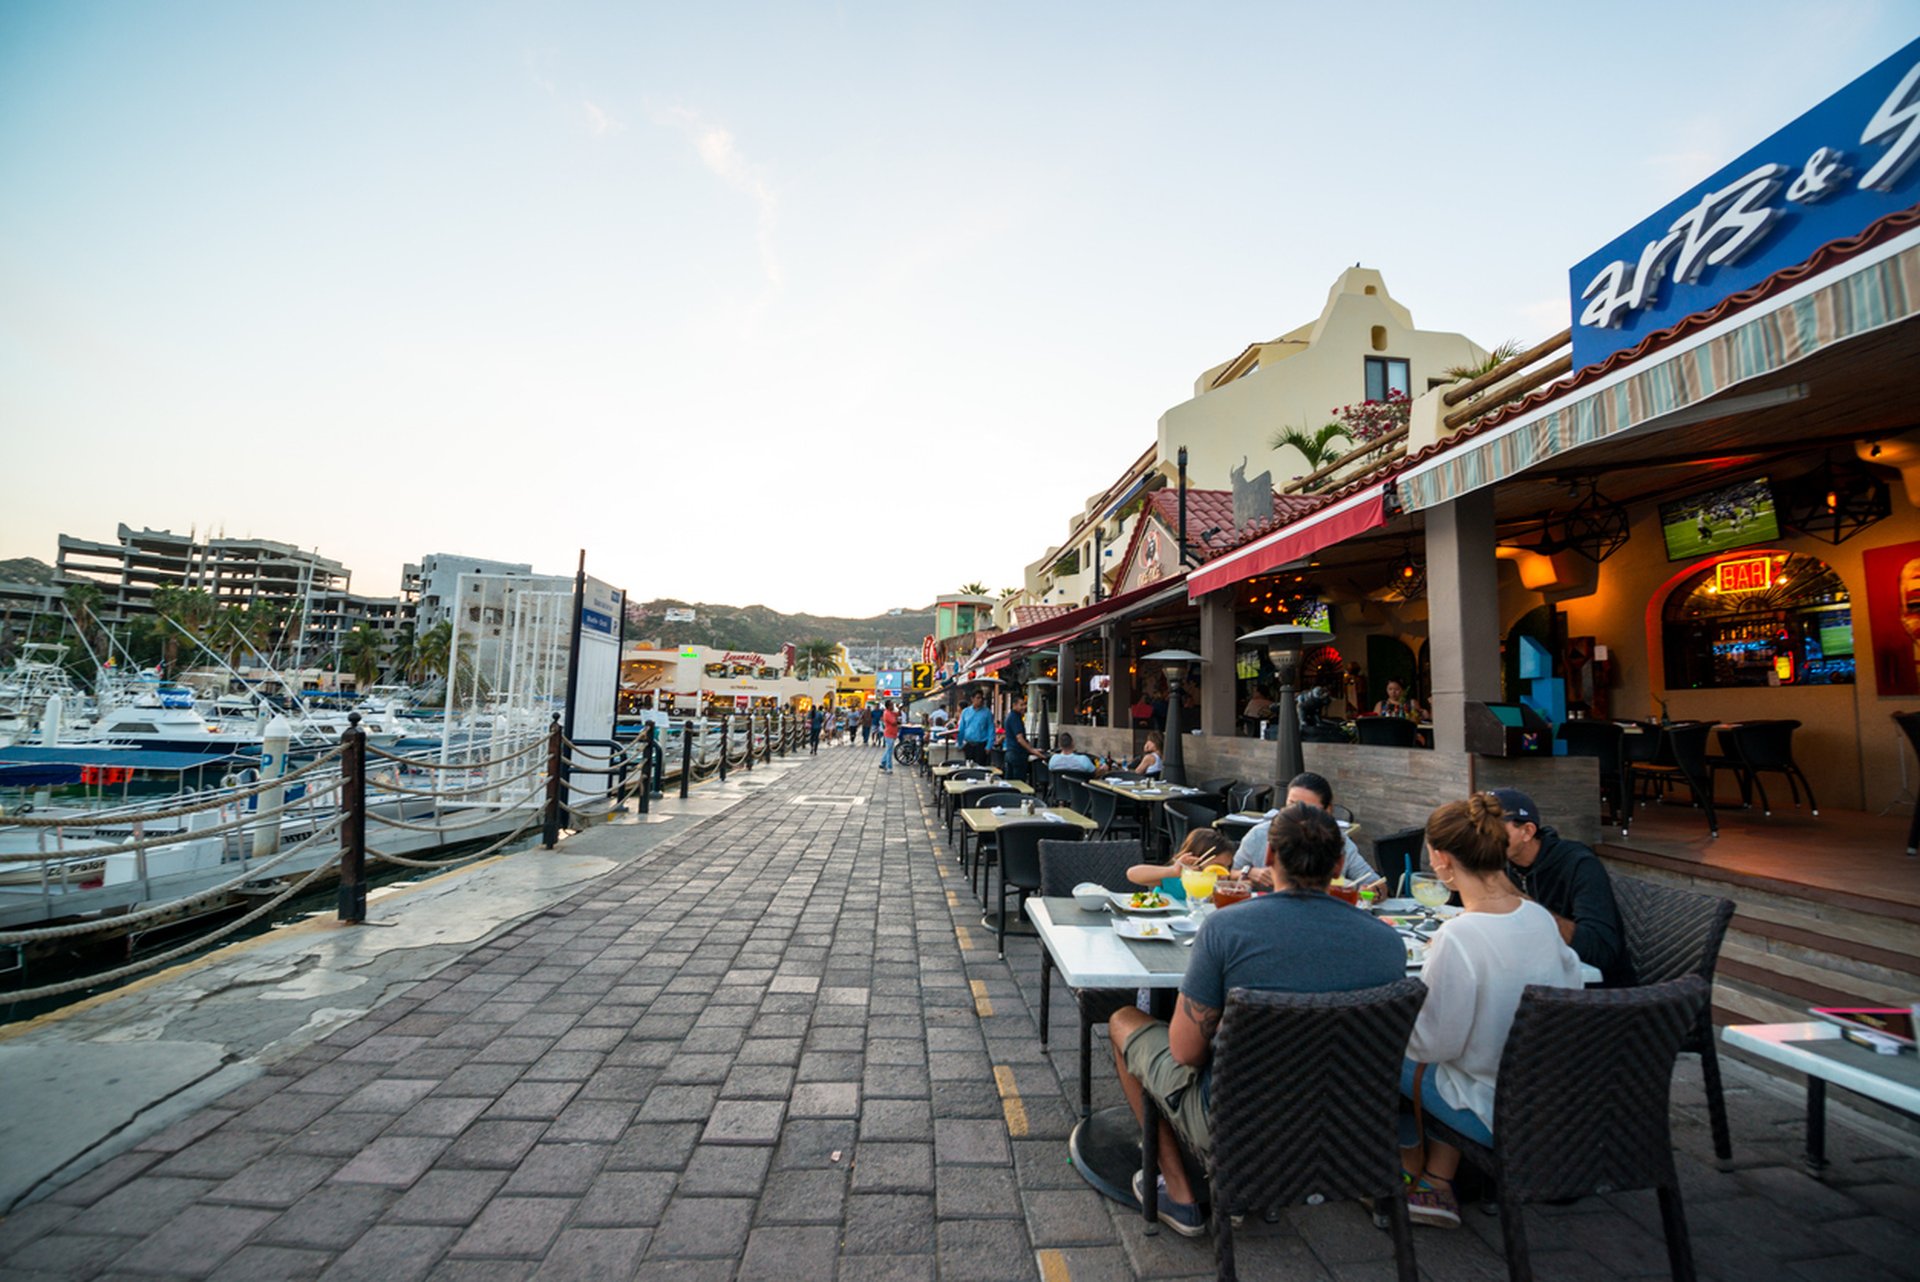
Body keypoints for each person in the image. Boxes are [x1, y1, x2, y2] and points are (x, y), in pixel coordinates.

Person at [1109, 803, 1405, 1236]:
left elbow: (1185, 1053)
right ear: (1340, 865)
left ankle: (1179, 1191)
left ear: (1268, 858)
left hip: (1239, 1120)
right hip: (1348, 1126)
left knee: (1123, 1019)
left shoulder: (1227, 930)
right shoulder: (1388, 943)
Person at [1401, 794, 1585, 1228]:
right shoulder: (1539, 918)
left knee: (1375, 1049)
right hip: (1549, 1096)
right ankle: (1437, 1177)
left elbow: (1434, 1044)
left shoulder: (1460, 937)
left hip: (1491, 1107)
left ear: (1442, 859)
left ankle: (1406, 1173)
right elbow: (1573, 984)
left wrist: (1397, 1006)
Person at [1491, 788, 1633, 986]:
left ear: (1527, 831)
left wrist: (1525, 906)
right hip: (1531, 980)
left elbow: (1601, 950)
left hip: (1591, 995)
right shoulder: (1501, 861)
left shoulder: (1579, 864)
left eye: (1494, 829)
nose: (1484, 837)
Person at [1233, 772, 1381, 892]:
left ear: (1327, 810)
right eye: (1292, 805)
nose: (1299, 813)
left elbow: (1374, 882)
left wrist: (1374, 891)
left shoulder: (1335, 841)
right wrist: (1248, 872)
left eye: (1309, 809)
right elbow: (1225, 875)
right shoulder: (1259, 835)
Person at [1127, 827, 1235, 887]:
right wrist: (1172, 871)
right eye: (1217, 868)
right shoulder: (1179, 880)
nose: (1225, 873)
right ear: (1195, 860)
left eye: (1228, 867)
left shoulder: (1221, 888)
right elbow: (1133, 874)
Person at [1003, 693, 1036, 782]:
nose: (1024, 707)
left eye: (1025, 704)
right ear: (1014, 705)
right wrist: (1032, 750)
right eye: (1021, 705)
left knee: (1010, 782)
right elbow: (1020, 738)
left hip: (1010, 753)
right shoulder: (1015, 718)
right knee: (1018, 783)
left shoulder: (1010, 716)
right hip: (1017, 754)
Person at [957, 691, 995, 765]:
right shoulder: (965, 712)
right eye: (978, 698)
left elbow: (991, 730)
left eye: (981, 698)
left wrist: (989, 746)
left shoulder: (987, 713)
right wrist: (960, 743)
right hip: (968, 745)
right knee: (968, 767)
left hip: (981, 745)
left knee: (980, 768)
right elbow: (961, 728)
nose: (980, 700)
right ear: (972, 699)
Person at [879, 699, 900, 773]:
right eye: (891, 705)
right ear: (888, 706)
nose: (893, 706)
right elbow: (894, 722)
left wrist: (898, 708)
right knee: (889, 752)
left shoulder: (891, 712)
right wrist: (897, 721)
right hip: (889, 734)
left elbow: (898, 714)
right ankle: (889, 767)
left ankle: (882, 762)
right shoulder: (887, 713)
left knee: (888, 750)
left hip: (892, 734)